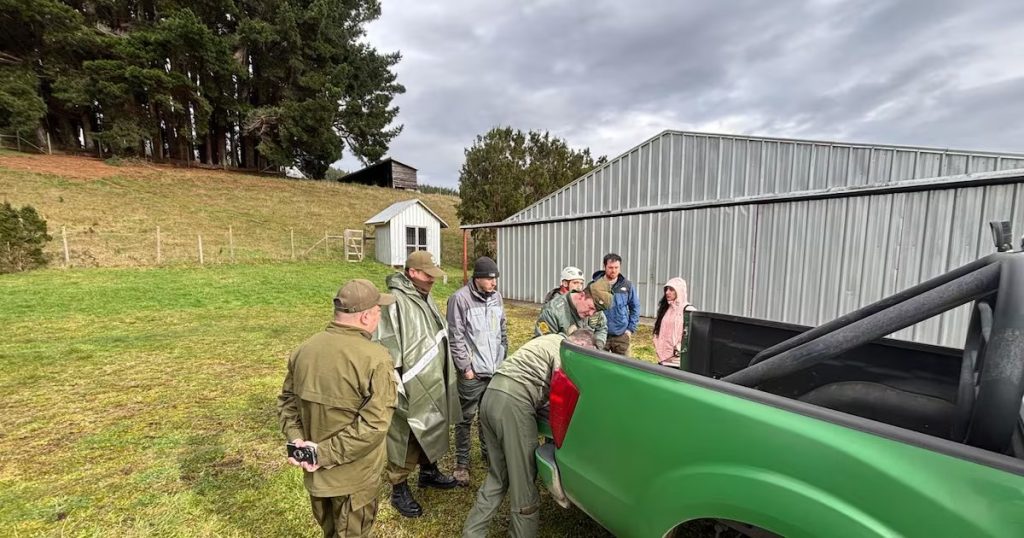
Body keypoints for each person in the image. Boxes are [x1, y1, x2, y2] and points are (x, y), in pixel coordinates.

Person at [276, 279, 399, 538]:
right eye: (378, 311)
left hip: (317, 478)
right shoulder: (376, 359)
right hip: (354, 479)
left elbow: (287, 403)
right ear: (366, 317)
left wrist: (298, 442)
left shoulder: (303, 350)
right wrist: (322, 455)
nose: (379, 317)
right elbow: (375, 425)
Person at [462, 330, 599, 538]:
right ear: (581, 345)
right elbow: (563, 398)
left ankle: (472, 532)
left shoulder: (547, 340)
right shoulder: (566, 354)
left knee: (498, 476)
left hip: (490, 396)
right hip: (513, 404)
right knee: (524, 483)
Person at [375, 250, 461, 518]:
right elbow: (386, 342)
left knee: (433, 422)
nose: (432, 279)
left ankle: (428, 471)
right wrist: (397, 380)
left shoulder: (425, 296)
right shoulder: (395, 301)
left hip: (433, 377)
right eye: (427, 275)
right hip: (410, 380)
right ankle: (398, 487)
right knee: (404, 432)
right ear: (412, 273)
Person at [446, 256, 508, 487]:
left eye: (495, 279)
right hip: (472, 374)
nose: (494, 284)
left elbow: (502, 330)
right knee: (465, 418)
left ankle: (488, 454)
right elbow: (456, 336)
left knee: (488, 416)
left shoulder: (497, 297)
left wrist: (503, 357)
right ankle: (462, 463)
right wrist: (466, 368)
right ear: (478, 278)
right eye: (491, 279)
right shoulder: (459, 299)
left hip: (494, 369)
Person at [533, 278, 611, 348]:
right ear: (582, 295)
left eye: (595, 311)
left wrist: (597, 346)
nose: (591, 314)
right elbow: (543, 344)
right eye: (590, 308)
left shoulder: (595, 309)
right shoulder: (552, 312)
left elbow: (601, 328)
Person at [592, 253, 640, 356]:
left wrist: (630, 330)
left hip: (621, 334)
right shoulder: (594, 286)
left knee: (625, 367)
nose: (613, 270)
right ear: (604, 267)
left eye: (616, 267)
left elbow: (635, 307)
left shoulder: (627, 286)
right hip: (600, 334)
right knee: (600, 365)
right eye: (610, 267)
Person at [653, 278, 696, 368]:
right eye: (666, 289)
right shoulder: (666, 308)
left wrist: (680, 348)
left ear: (679, 291)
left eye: (671, 290)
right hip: (663, 358)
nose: (667, 292)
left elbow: (694, 335)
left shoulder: (688, 310)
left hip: (677, 361)